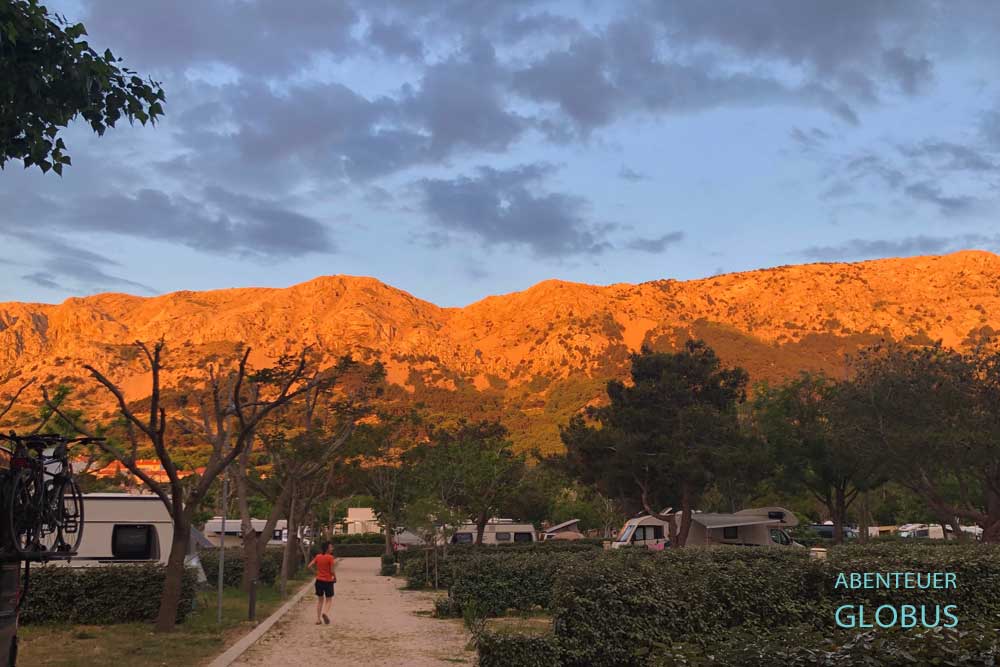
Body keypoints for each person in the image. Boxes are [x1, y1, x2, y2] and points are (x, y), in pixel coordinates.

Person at [307, 542, 336, 625]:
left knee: (320, 600)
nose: (332, 549)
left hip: (319, 580)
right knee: (329, 599)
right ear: (327, 548)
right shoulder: (330, 557)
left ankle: (318, 619)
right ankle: (325, 613)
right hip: (328, 581)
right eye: (331, 547)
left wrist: (315, 573)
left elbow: (309, 566)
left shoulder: (318, 556)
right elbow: (332, 571)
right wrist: (335, 577)